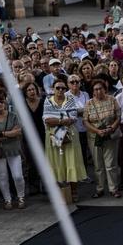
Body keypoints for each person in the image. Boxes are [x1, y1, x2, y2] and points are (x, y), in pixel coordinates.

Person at [44, 79, 86, 208]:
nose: (60, 90)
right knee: (56, 163)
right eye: (58, 88)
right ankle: (59, 194)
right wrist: (62, 120)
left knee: (71, 161)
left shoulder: (70, 100)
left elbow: (72, 118)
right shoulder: (47, 101)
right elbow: (47, 119)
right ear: (53, 89)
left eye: (63, 88)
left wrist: (56, 119)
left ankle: (73, 191)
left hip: (70, 135)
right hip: (52, 136)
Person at [0, 92, 25, 210]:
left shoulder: (13, 116)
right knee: (2, 176)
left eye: (2, 101)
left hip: (14, 149)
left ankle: (21, 197)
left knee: (17, 176)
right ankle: (7, 200)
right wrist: (9, 133)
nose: (0, 104)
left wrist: (0, 134)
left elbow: (18, 132)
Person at [84, 78, 121, 199]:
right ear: (93, 91)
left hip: (110, 135)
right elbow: (86, 121)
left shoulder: (112, 100)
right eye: (95, 89)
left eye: (100, 88)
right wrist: (97, 131)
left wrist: (111, 128)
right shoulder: (89, 103)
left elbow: (118, 117)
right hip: (95, 137)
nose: (98, 91)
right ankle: (99, 188)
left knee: (111, 164)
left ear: (105, 89)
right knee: (98, 165)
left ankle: (113, 189)